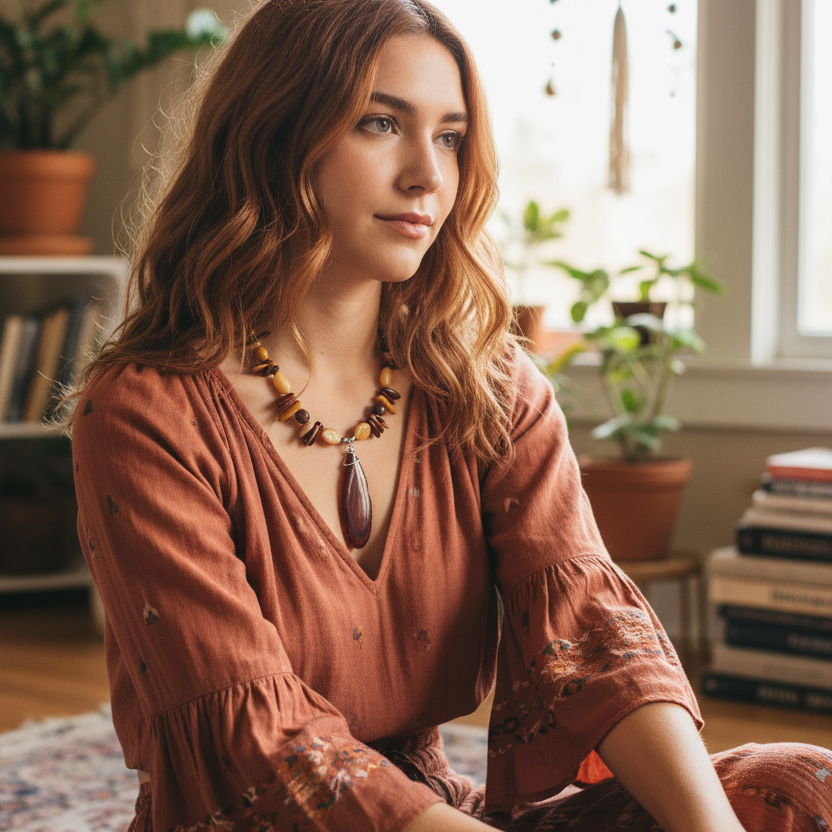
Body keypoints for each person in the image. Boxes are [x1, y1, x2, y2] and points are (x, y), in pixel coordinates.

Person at [69, 1, 832, 830]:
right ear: (272, 131)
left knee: (795, 784)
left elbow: (595, 638)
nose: (428, 176)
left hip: (440, 815)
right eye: (380, 123)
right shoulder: (146, 411)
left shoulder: (487, 384)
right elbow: (259, 744)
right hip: (262, 820)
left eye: (450, 136)